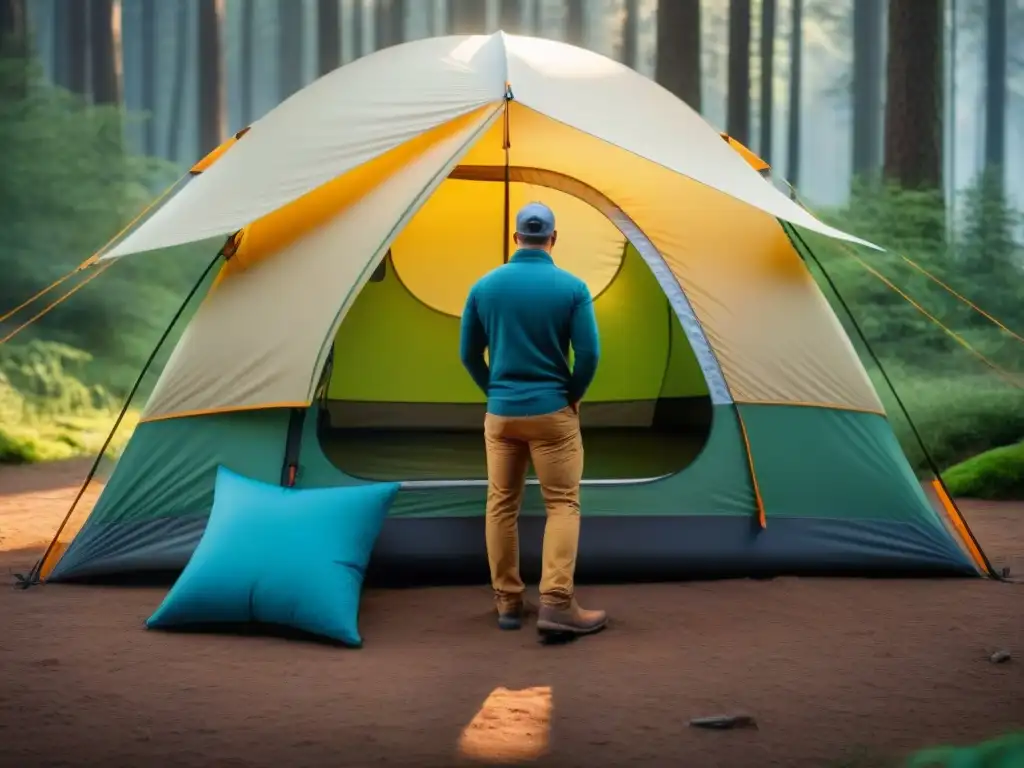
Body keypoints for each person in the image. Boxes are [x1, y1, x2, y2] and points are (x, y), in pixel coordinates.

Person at [459, 201, 606, 638]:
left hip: (501, 414)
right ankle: (557, 603)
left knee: (501, 503)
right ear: (553, 239)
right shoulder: (573, 287)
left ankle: (507, 602)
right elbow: (591, 354)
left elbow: (468, 354)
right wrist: (571, 396)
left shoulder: (483, 287)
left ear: (515, 237)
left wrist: (495, 392)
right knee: (562, 503)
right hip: (553, 413)